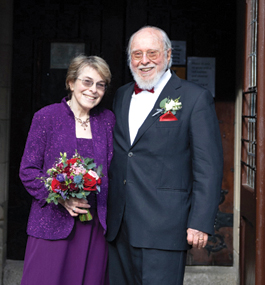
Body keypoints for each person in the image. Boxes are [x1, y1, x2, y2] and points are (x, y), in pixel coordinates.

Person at [106, 26, 223, 285]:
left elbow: (208, 166)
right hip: (118, 227)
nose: (144, 61)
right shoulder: (122, 95)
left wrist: (200, 221)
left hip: (164, 227)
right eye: (137, 54)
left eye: (152, 53)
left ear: (168, 55)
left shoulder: (194, 98)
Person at [19, 55, 115, 285]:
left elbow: (112, 170)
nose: (93, 90)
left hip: (94, 226)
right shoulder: (46, 117)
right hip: (51, 222)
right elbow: (28, 171)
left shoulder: (107, 120)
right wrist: (61, 197)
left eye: (100, 85)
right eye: (87, 82)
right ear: (71, 83)